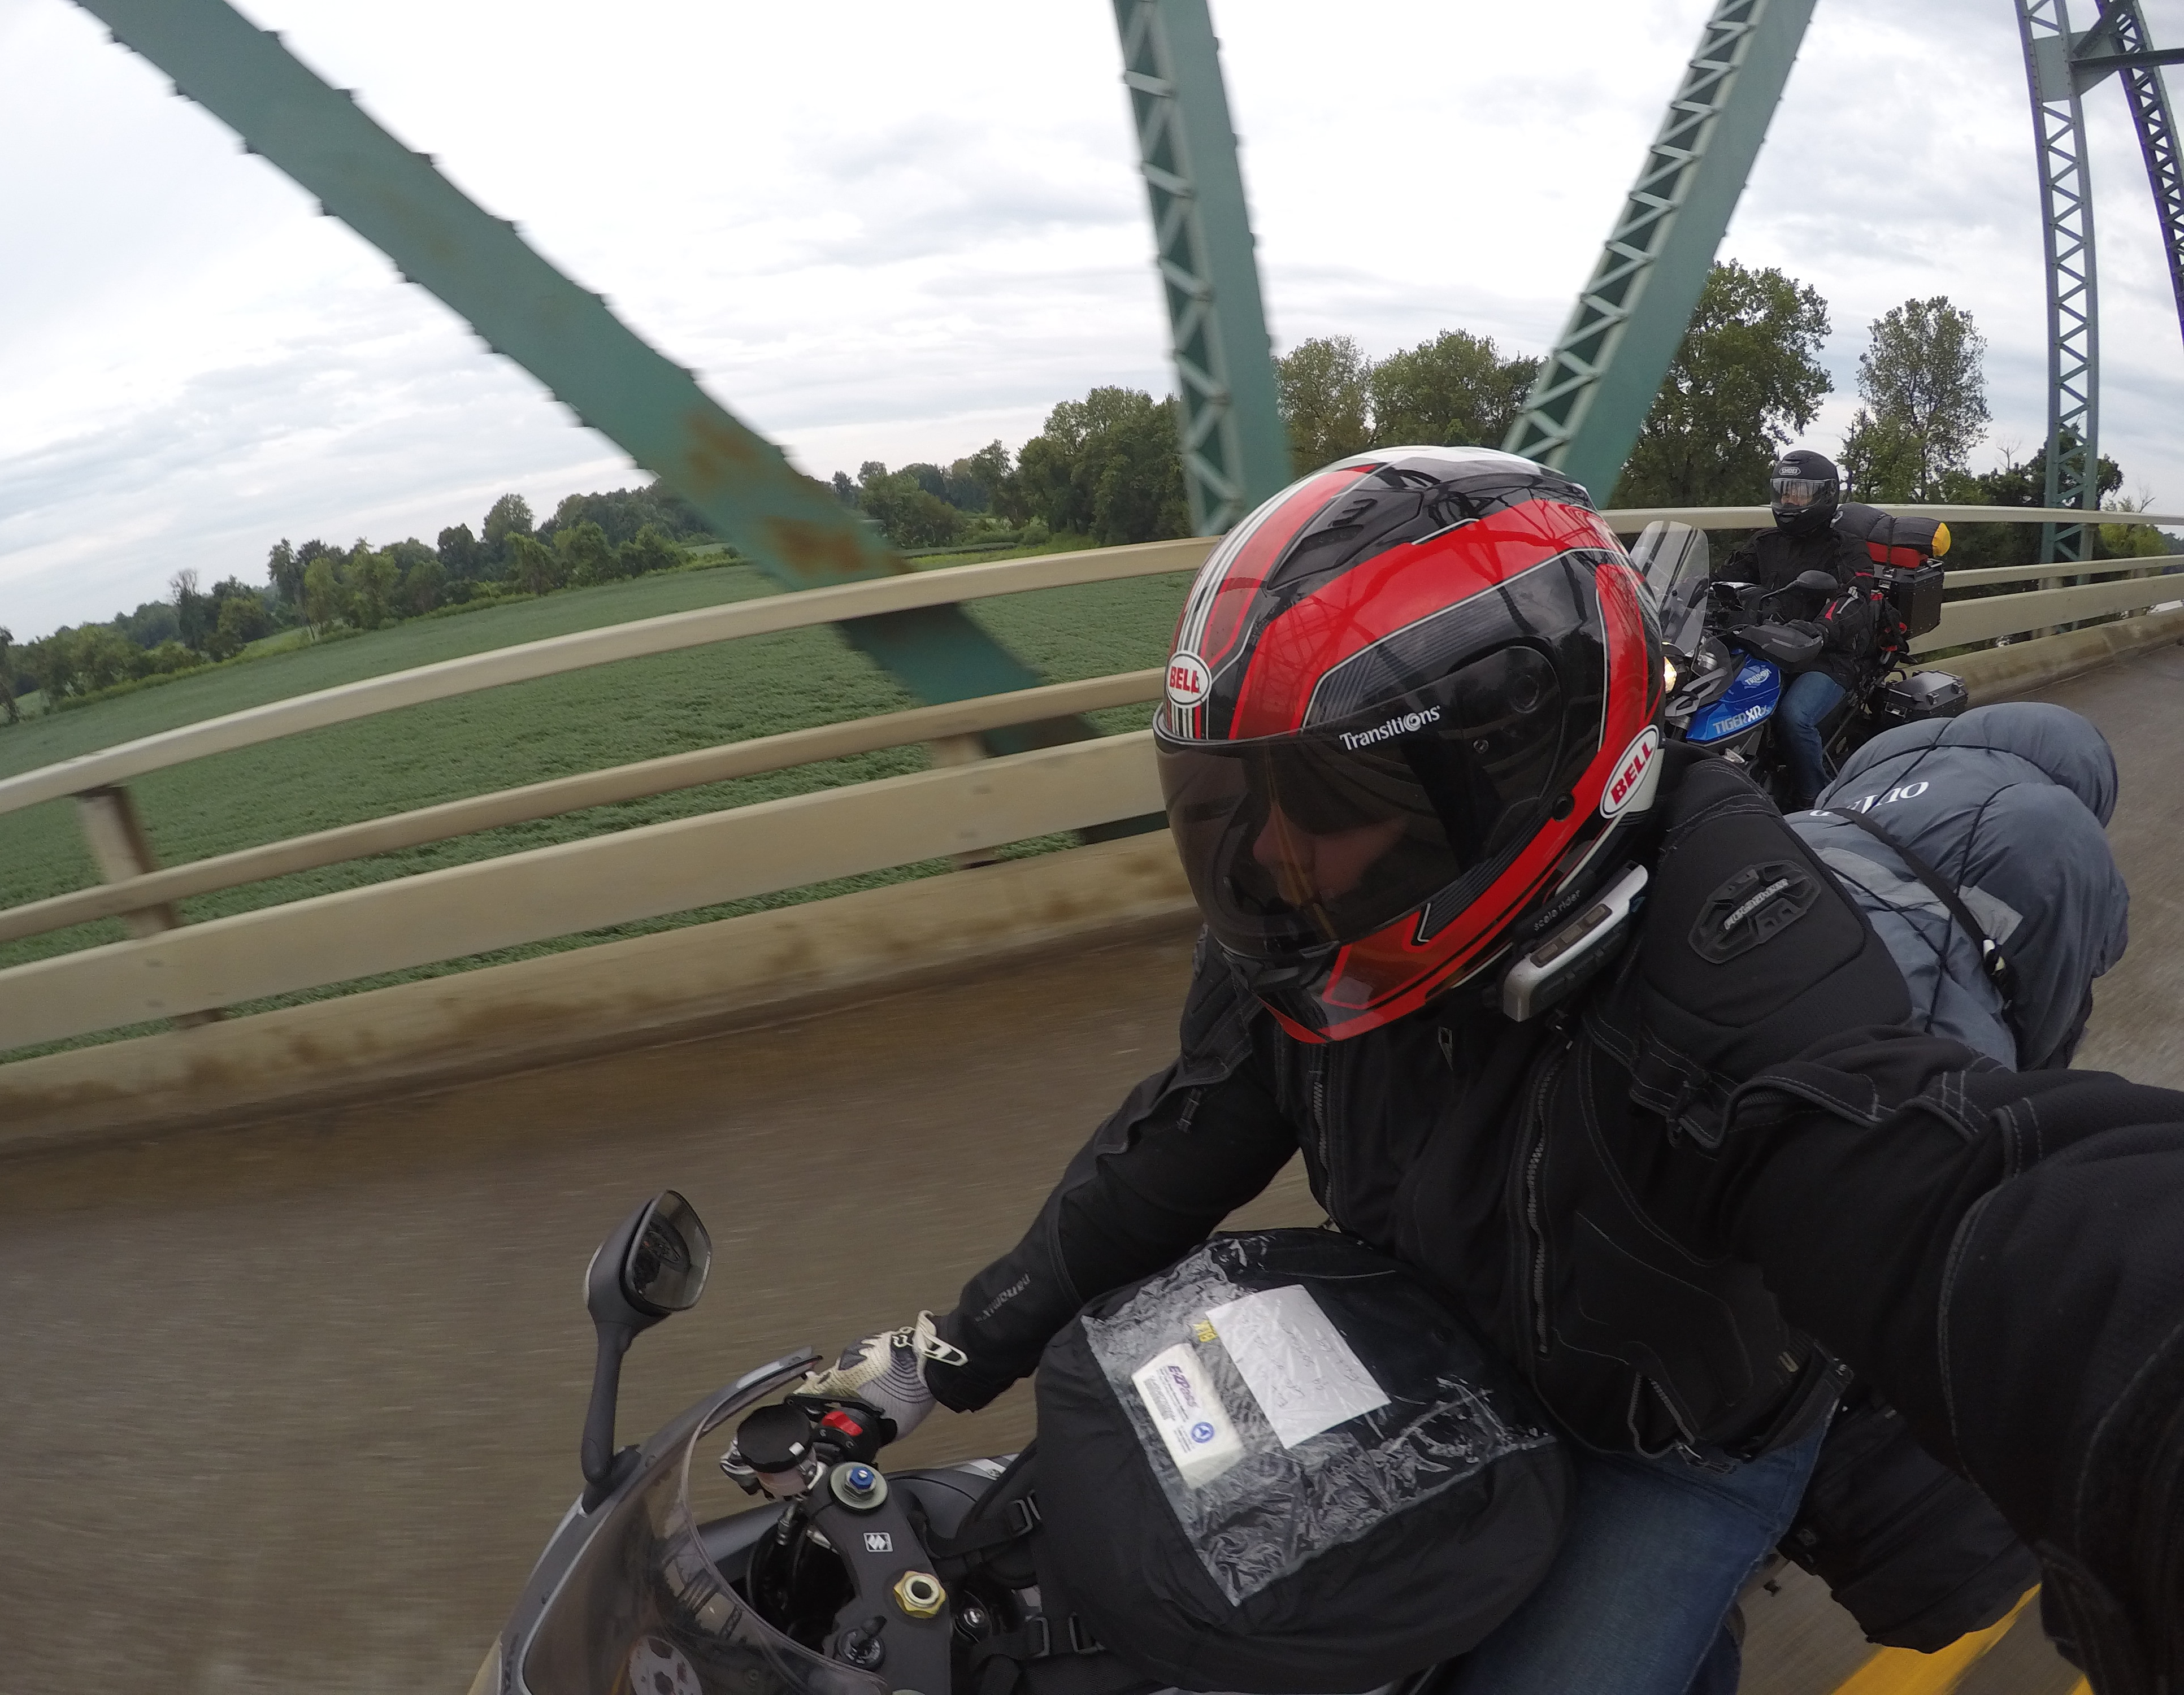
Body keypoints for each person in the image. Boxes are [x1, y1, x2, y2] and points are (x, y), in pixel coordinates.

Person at [801, 447, 2011, 1693]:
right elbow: (1183, 1136)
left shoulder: (1743, 960)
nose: (1269, 860)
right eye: (1236, 803)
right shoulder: (1318, 931)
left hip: (1663, 1435)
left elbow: (1933, 1205)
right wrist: (951, 1352)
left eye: (1329, 801)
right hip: (1431, 1331)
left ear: (1503, 770)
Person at [1725, 449, 1877, 809]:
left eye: (1800, 494)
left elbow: (1855, 597)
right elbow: (1723, 581)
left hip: (1827, 656)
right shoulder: (1764, 543)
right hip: (1765, 645)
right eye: (1783, 492)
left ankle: (1816, 800)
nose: (1789, 502)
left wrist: (1822, 630)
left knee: (1793, 717)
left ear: (1825, 495)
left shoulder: (1845, 549)